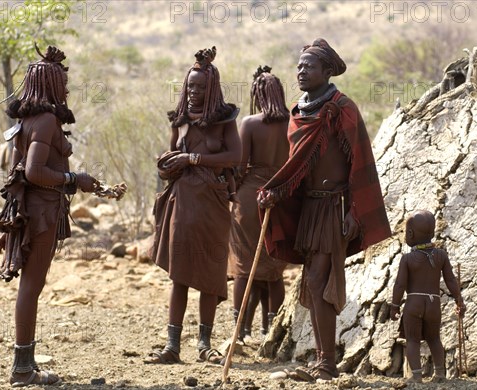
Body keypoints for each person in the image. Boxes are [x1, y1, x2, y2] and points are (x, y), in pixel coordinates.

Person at [257, 38, 391, 381]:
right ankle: (321, 362)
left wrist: (354, 211)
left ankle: (327, 364)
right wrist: (277, 193)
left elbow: (360, 162)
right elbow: (295, 166)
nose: (301, 71)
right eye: (299, 66)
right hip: (310, 207)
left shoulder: (342, 108)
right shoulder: (299, 111)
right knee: (313, 284)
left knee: (319, 281)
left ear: (327, 71)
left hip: (335, 206)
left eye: (309, 66)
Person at [0, 44, 97, 387]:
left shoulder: (29, 119)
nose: (66, 89)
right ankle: (23, 369)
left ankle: (25, 364)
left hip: (34, 209)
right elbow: (35, 171)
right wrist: (73, 180)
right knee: (32, 286)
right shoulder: (48, 119)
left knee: (30, 286)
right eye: (63, 83)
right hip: (40, 212)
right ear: (51, 85)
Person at [146, 46, 241, 365]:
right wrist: (169, 163)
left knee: (211, 275)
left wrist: (194, 158)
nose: (193, 92)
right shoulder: (180, 121)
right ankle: (172, 346)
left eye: (200, 87)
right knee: (180, 274)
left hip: (213, 204)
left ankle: (204, 344)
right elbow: (170, 158)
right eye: (189, 86)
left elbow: (234, 157)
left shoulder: (225, 120)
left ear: (212, 89)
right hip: (183, 204)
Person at [227, 66, 290, 342]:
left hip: (251, 199)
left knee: (243, 267)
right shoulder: (295, 122)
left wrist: (232, 194)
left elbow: (239, 169)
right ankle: (271, 330)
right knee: (274, 270)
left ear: (258, 95)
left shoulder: (251, 123)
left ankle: (239, 330)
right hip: (283, 199)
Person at [389, 210, 466, 383]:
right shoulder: (441, 255)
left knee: (413, 340)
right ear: (431, 234)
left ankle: (416, 375)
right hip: (433, 303)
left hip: (414, 302)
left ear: (410, 234)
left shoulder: (407, 259)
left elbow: (400, 285)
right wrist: (459, 300)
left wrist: (394, 306)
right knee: (434, 339)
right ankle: (439, 374)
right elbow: (451, 280)